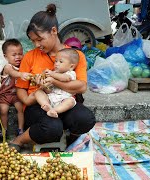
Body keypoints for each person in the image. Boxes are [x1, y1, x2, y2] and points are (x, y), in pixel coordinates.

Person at [9, 4, 96, 151]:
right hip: (38, 106)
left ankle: (71, 138)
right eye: (33, 41)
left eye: (40, 39)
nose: (37, 45)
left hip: (64, 102)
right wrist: (29, 99)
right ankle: (20, 139)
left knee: (86, 119)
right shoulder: (30, 56)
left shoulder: (75, 56)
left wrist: (54, 81)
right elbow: (21, 89)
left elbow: (81, 86)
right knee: (52, 128)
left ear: (54, 31)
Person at [0, 39, 31, 139]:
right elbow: (13, 73)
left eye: (20, 54)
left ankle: (20, 130)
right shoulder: (8, 67)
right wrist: (21, 74)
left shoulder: (23, 66)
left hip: (17, 95)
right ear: (5, 56)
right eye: (14, 55)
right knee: (3, 110)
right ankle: (4, 129)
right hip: (5, 95)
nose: (18, 57)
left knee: (20, 109)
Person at [35, 48, 79, 118]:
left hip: (63, 100)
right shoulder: (54, 73)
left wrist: (52, 75)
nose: (56, 64)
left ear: (71, 66)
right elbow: (48, 90)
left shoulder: (70, 73)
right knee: (38, 92)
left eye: (61, 62)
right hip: (51, 98)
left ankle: (54, 111)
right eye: (56, 61)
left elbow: (65, 78)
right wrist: (43, 84)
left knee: (70, 101)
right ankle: (46, 105)